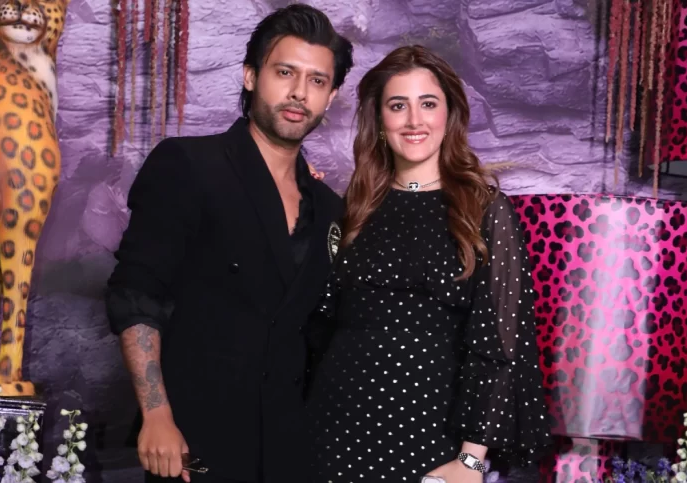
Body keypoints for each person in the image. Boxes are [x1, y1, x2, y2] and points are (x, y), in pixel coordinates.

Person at [104, 5, 353, 483]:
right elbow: (135, 292)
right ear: (250, 75)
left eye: (317, 81)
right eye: (285, 72)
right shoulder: (189, 165)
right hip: (193, 445)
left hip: (289, 452)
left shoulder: (329, 208)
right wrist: (156, 414)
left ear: (331, 96)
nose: (299, 92)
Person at [304, 45, 552, 482]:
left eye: (429, 104)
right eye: (398, 105)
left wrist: (471, 460)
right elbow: (319, 331)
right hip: (332, 430)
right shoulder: (354, 209)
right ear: (380, 119)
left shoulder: (485, 210)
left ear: (450, 114)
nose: (414, 120)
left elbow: (500, 344)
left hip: (431, 443)